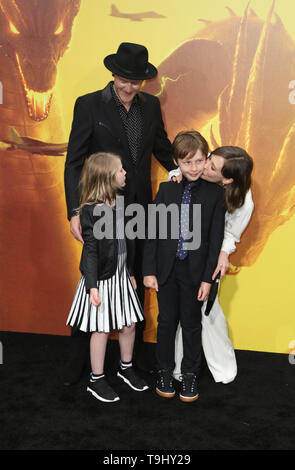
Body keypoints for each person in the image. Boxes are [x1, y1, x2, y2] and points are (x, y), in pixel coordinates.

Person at [64, 42, 177, 383]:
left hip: (141, 207)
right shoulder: (88, 105)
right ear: (113, 74)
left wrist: (183, 169)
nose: (129, 86)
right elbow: (74, 162)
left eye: (136, 81)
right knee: (95, 280)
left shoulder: (152, 106)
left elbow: (162, 149)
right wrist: (74, 211)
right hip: (103, 208)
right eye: (124, 79)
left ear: (144, 80)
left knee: (137, 280)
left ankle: (133, 361)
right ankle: (77, 363)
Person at [142, 131, 225, 402]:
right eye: (187, 162)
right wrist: (149, 270)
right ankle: (164, 371)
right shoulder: (167, 188)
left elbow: (215, 241)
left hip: (195, 273)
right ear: (177, 161)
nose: (193, 168)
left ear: (207, 159)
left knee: (191, 324)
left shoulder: (215, 194)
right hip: (166, 270)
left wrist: (207, 279)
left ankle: (189, 374)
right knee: (165, 323)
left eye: (199, 161)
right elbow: (153, 231)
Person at [66, 152, 149, 403]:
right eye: (120, 170)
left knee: (129, 324)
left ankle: (126, 367)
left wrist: (131, 272)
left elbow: (126, 243)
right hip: (101, 280)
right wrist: (92, 286)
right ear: (106, 177)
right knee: (101, 329)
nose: (125, 173)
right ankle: (97, 378)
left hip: (122, 276)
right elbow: (90, 250)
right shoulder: (92, 210)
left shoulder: (120, 202)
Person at [173, 145, 254, 384]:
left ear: (227, 179)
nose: (203, 167)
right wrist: (177, 176)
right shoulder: (194, 173)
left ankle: (218, 366)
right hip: (186, 253)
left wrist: (223, 253)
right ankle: (181, 366)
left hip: (211, 257)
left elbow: (231, 234)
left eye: (212, 167)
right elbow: (177, 176)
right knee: (186, 310)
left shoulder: (243, 201)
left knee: (207, 309)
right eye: (208, 159)